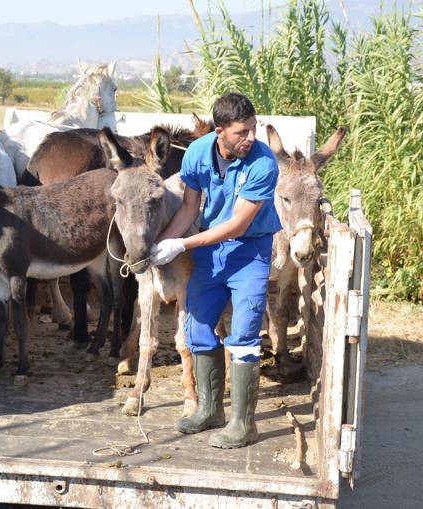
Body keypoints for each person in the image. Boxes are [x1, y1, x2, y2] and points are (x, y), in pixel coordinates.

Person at [150, 92, 281, 449]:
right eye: (242, 132)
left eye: (253, 129)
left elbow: (238, 224)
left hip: (249, 252)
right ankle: (210, 410)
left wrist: (183, 245)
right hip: (210, 251)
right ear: (219, 131)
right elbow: (190, 208)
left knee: (243, 333)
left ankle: (243, 423)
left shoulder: (263, 163)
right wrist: (161, 243)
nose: (251, 138)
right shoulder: (196, 153)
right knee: (199, 326)